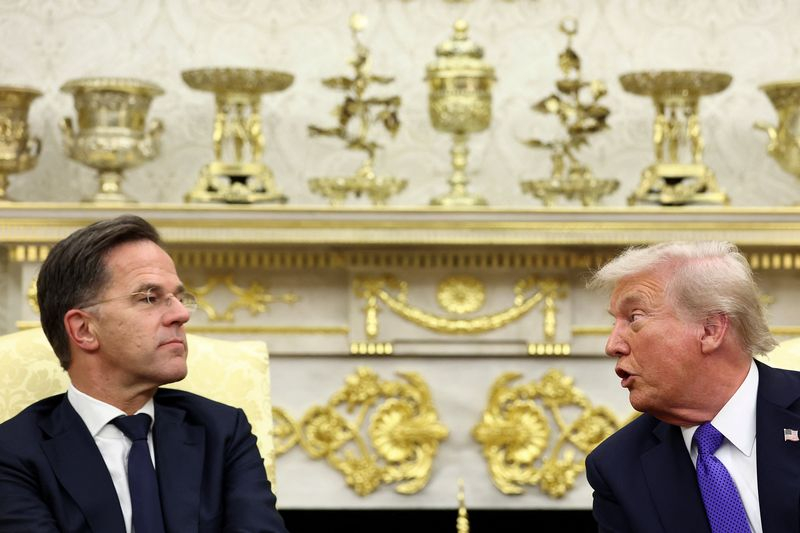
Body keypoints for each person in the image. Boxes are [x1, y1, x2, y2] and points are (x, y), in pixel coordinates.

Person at [0, 215, 289, 533]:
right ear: (84, 329)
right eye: (150, 298)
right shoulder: (14, 453)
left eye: (179, 298)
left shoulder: (222, 431)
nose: (181, 314)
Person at [585, 241, 800, 533]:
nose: (612, 345)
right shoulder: (618, 468)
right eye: (615, 323)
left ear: (710, 330)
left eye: (634, 317)